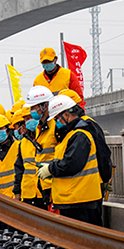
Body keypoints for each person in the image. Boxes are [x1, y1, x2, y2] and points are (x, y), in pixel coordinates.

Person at [37, 95, 103, 226]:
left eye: (57, 119)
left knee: (84, 242)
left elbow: (72, 164)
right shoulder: (70, 135)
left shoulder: (80, 135)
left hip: (82, 201)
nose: (56, 123)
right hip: (73, 200)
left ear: (66, 115)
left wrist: (50, 169)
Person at [57, 90, 114, 186]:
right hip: (82, 184)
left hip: (89, 183)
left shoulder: (85, 125)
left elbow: (102, 153)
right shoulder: (72, 126)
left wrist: (104, 178)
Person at [24, 86, 57, 207]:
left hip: (55, 183)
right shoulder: (40, 127)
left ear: (45, 106)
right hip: (45, 184)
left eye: (34, 107)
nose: (32, 111)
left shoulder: (55, 126)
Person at [12, 107, 48, 210]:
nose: (28, 122)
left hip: (43, 194)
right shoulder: (23, 143)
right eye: (26, 119)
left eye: (30, 118)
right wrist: (17, 192)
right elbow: (19, 169)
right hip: (28, 195)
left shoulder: (46, 137)